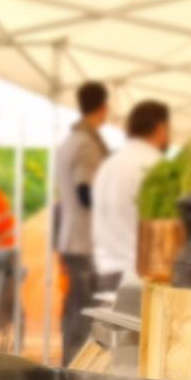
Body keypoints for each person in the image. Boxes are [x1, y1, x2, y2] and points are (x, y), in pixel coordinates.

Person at [54, 81, 109, 363]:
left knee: (75, 307)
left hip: (72, 237)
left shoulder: (70, 141)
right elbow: (86, 192)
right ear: (104, 107)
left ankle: (70, 365)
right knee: (85, 310)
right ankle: (75, 369)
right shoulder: (87, 144)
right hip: (84, 240)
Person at [92, 100, 171, 289]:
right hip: (139, 276)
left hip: (106, 270)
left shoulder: (108, 165)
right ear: (161, 128)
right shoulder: (158, 166)